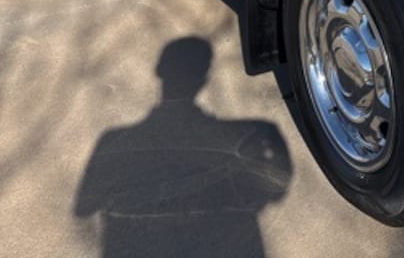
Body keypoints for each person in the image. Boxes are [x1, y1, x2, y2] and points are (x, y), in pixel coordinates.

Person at [75, 37, 292, 257]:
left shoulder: (116, 143)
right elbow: (276, 186)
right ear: (204, 79)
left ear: (159, 70)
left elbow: (84, 206)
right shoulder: (241, 137)